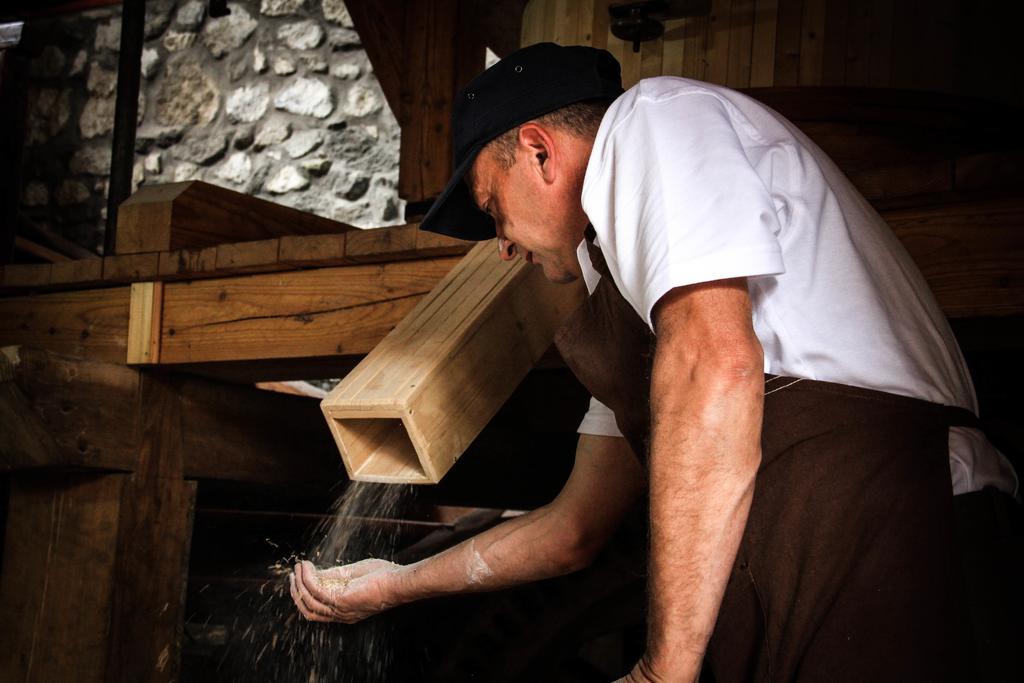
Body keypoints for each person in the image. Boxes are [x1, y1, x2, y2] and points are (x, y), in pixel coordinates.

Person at [290, 43, 1018, 681]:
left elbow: (717, 367)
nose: (503, 246)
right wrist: (396, 584)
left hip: (898, 531)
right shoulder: (638, 305)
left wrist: (663, 666)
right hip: (813, 559)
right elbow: (574, 527)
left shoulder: (653, 122)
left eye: (492, 209)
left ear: (540, 151)